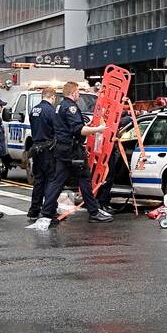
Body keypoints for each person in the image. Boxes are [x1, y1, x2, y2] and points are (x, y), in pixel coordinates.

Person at [42, 81, 112, 227]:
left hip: (61, 149)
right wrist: (99, 129)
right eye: (78, 92)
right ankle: (94, 212)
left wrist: (89, 124)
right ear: (73, 93)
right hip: (72, 151)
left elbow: (68, 127)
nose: (79, 95)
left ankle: (47, 211)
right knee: (84, 179)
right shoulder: (71, 107)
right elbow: (78, 130)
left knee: (57, 181)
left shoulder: (59, 106)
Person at [27, 87, 59, 225]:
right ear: (52, 97)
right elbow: (56, 129)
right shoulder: (51, 111)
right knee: (51, 181)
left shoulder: (34, 109)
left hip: (36, 148)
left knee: (39, 181)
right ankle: (50, 210)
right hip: (48, 149)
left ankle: (34, 210)